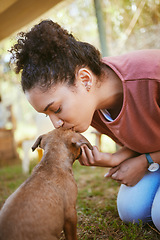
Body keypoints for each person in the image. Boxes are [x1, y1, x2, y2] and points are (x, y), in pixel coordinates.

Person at [10, 20, 160, 230]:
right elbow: (148, 133)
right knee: (131, 212)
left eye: (57, 109)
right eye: (47, 115)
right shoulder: (91, 106)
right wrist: (114, 158)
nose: (56, 123)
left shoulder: (152, 77)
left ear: (85, 79)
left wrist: (146, 161)